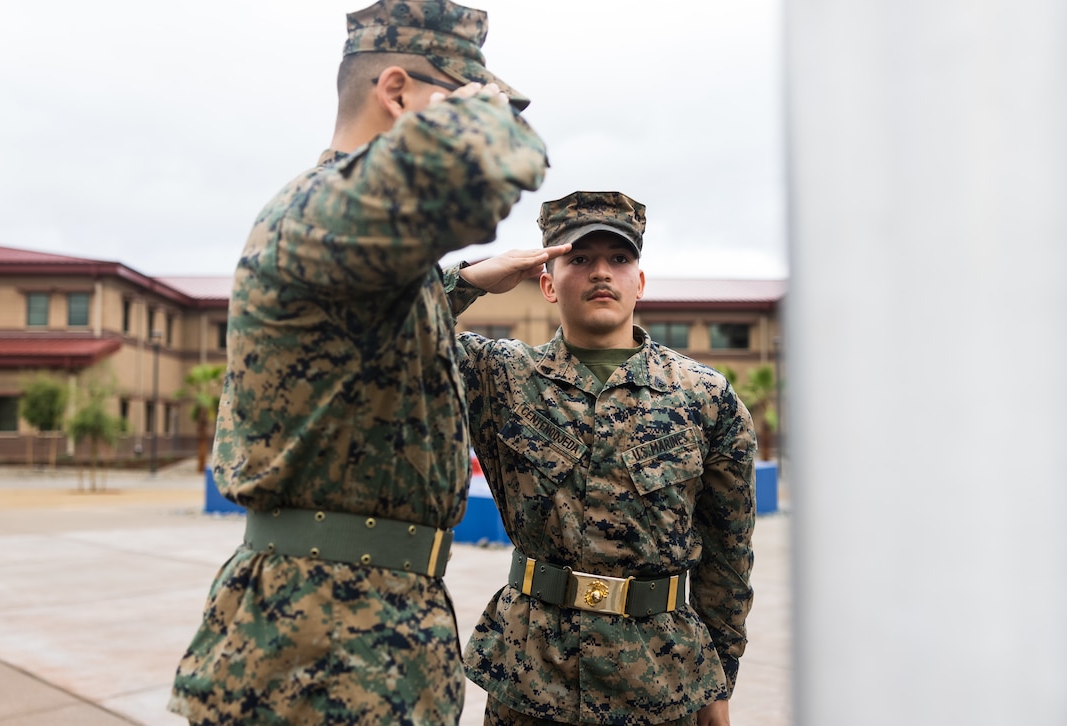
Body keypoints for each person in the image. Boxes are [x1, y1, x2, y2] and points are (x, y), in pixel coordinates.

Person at [168, 1, 547, 724]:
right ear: (397, 91)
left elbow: (365, 327)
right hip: (316, 648)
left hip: (369, 633)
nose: (491, 111)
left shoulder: (348, 235)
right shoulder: (318, 212)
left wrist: (465, 281)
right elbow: (477, 174)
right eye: (468, 94)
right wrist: (486, 115)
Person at [442, 191, 756, 726]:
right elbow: (380, 340)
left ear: (640, 281)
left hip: (663, 680)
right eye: (580, 259)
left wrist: (720, 681)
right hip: (533, 678)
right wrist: (468, 280)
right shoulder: (500, 377)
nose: (601, 273)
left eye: (620, 258)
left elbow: (727, 558)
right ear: (546, 281)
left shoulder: (705, 396)